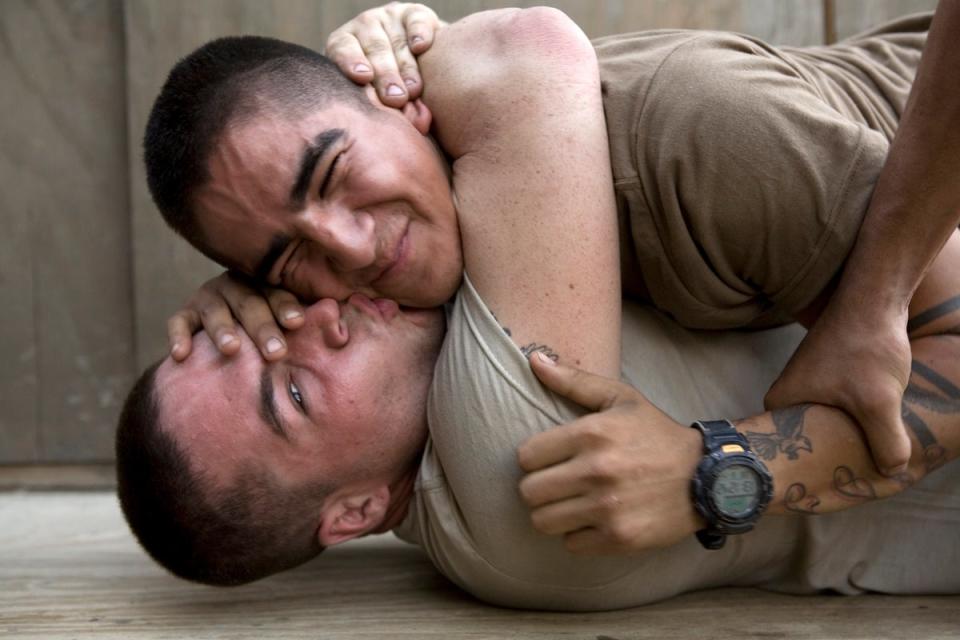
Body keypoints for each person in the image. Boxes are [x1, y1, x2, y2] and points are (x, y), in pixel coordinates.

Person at [117, 6, 960, 607]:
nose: (349, 255)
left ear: (394, 96)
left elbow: (525, 51)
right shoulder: (412, 292)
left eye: (335, 172)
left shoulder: (689, 139)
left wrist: (716, 472)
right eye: (284, 273)